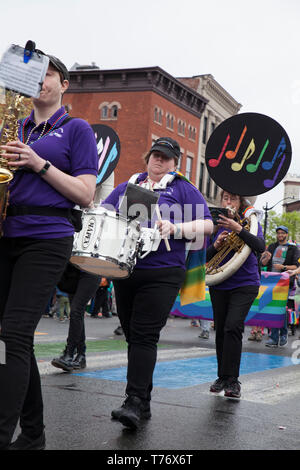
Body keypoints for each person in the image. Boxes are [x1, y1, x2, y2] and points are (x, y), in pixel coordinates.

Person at [0, 52, 99, 450]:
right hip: (7, 233)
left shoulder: (76, 129)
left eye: (49, 74)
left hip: (48, 235)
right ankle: (35, 436)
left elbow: (87, 194)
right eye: (34, 74)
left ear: (64, 85)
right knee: (12, 340)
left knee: (13, 335)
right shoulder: (15, 125)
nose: (41, 80)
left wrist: (38, 164)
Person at [103, 136, 213, 429]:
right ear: (147, 157)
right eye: (155, 155)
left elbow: (207, 224)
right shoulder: (129, 185)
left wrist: (176, 227)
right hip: (126, 269)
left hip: (164, 271)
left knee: (143, 335)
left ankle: (134, 401)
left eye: (165, 157)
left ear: (175, 163)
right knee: (132, 335)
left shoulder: (182, 189)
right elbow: (104, 211)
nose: (159, 160)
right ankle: (144, 401)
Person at [207, 191, 265, 399]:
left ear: (240, 202)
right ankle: (222, 377)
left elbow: (260, 246)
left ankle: (233, 380)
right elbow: (203, 257)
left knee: (233, 327)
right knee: (221, 330)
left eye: (232, 198)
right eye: (225, 198)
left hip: (245, 283)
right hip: (219, 282)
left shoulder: (250, 221)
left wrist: (238, 229)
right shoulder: (214, 223)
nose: (228, 202)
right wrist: (215, 245)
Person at [51, 265, 101, 371]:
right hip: (74, 270)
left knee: (76, 310)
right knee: (77, 312)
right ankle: (81, 354)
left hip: (92, 268)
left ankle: (69, 353)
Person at [261, 226, 299, 347]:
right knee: (273, 309)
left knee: (280, 308)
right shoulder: (272, 246)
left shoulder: (293, 248)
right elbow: (263, 262)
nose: (280, 235)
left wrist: (283, 267)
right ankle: (278, 335)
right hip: (271, 282)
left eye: (282, 233)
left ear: (286, 234)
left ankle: (279, 336)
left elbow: (296, 266)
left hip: (285, 283)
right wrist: (264, 260)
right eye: (278, 233)